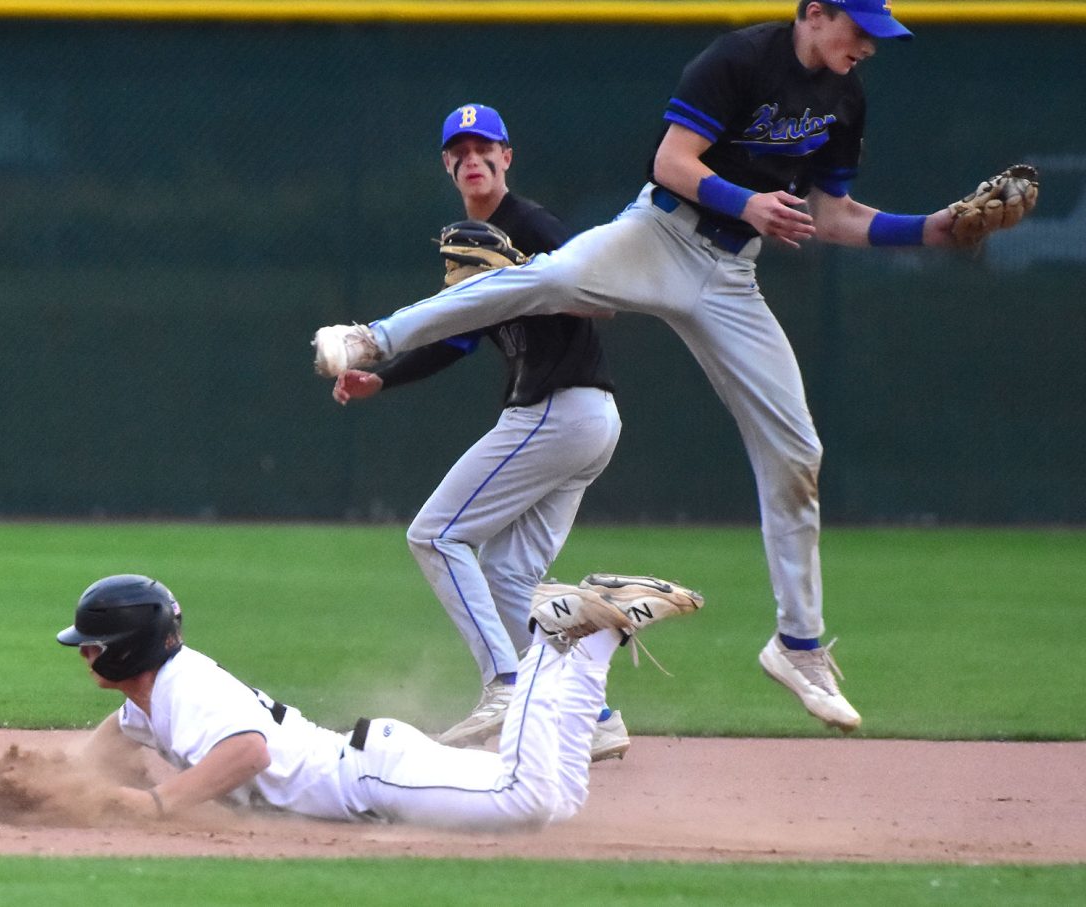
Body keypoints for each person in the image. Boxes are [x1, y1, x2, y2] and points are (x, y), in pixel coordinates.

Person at [315, 0, 963, 733]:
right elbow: (672, 163)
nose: (869, 46)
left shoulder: (845, 96)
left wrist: (929, 231)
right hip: (659, 233)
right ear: (815, 13)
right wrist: (748, 200)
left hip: (729, 276)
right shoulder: (740, 59)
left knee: (797, 450)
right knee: (545, 278)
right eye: (861, 29)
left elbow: (834, 213)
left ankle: (798, 644)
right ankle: (375, 336)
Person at [329, 104, 626, 759]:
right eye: (458, 150)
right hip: (584, 418)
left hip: (558, 408)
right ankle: (594, 715)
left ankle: (504, 683)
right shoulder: (474, 239)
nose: (472, 158)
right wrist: (385, 379)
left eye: (483, 147)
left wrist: (532, 280)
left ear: (506, 157)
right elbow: (458, 334)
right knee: (509, 575)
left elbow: (600, 294)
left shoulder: (529, 225)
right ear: (447, 165)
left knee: (435, 534)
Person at [54, 572, 701, 828]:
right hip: (374, 762)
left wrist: (160, 803)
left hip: (371, 779)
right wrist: (44, 789)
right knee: (559, 801)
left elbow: (248, 751)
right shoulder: (152, 697)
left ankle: (547, 639)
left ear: (128, 647)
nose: (86, 652)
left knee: (528, 801)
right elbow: (110, 745)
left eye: (93, 642)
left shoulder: (184, 687)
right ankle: (597, 639)